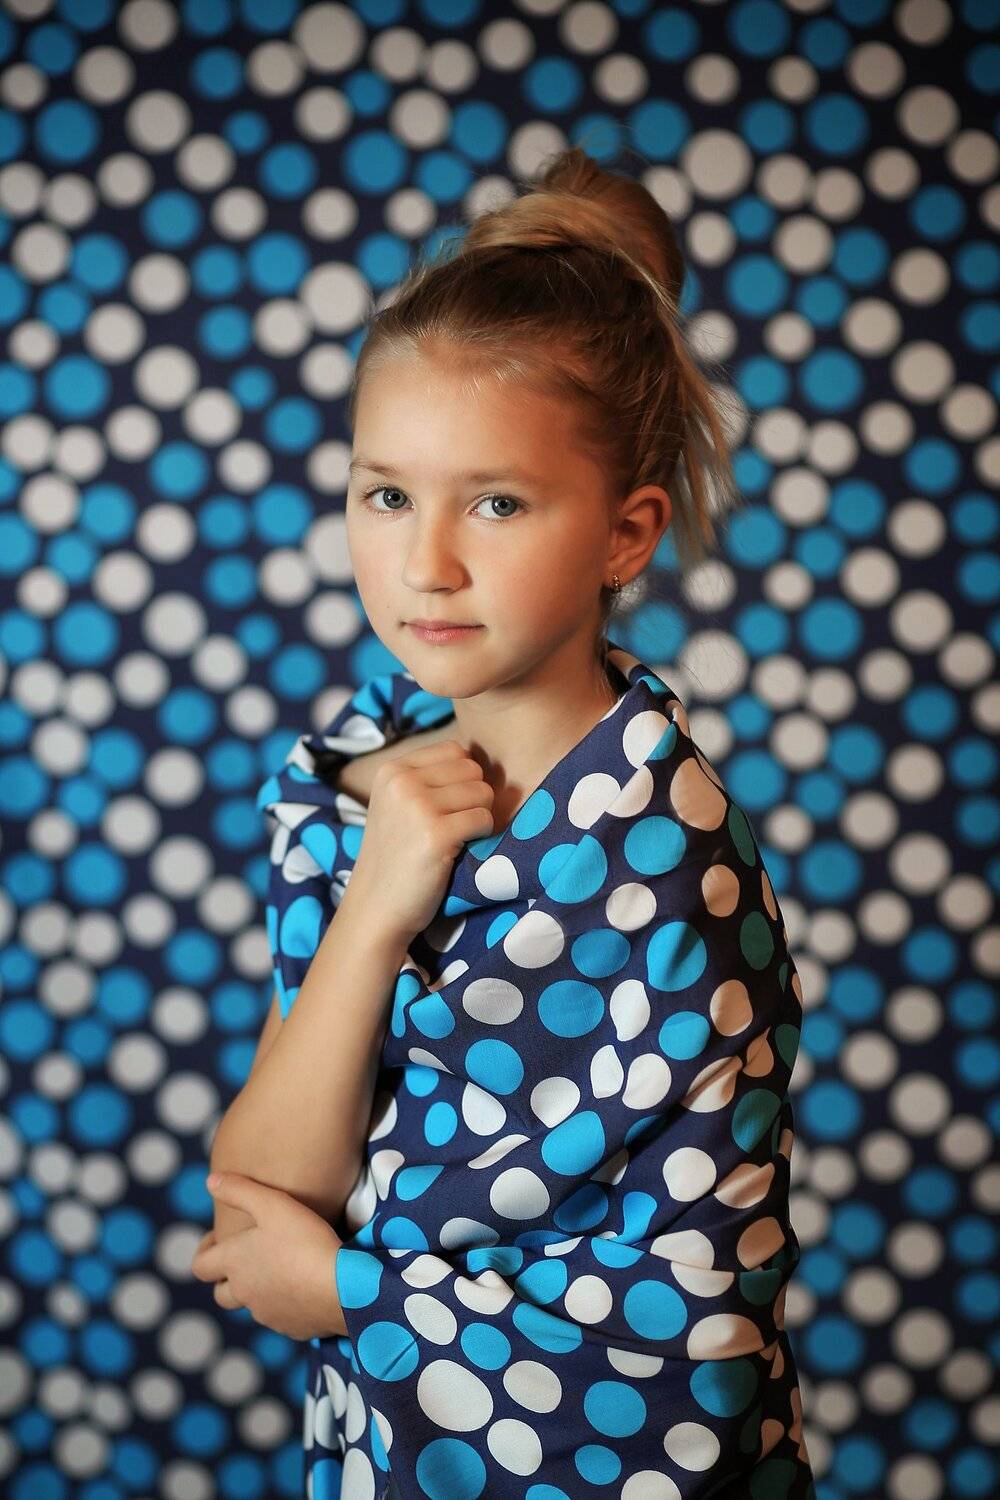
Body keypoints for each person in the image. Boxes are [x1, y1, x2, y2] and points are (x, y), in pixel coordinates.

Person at [197, 145, 816, 1498]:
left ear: (627, 534)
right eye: (386, 495)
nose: (425, 564)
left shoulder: (665, 881)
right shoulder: (359, 780)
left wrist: (355, 1294)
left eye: (496, 502)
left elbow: (689, 1340)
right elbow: (258, 1188)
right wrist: (376, 908)